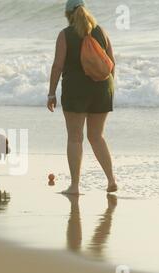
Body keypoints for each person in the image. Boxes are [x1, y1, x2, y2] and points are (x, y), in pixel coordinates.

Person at [47, 0, 118, 194]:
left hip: (76, 90)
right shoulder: (101, 31)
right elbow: (112, 62)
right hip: (103, 88)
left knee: (75, 138)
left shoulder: (65, 35)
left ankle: (75, 186)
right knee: (97, 136)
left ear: (68, 15)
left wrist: (51, 93)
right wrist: (110, 89)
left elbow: (57, 66)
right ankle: (111, 180)